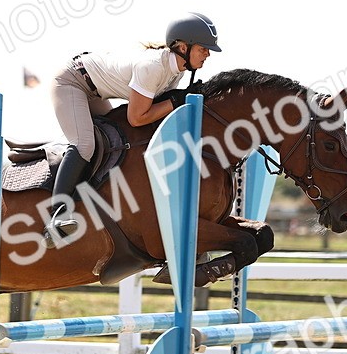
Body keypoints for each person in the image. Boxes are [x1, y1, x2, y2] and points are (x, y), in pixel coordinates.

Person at [42, 12, 221, 247]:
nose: (208, 54)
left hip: (95, 90)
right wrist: (176, 101)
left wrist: (178, 101)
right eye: (203, 48)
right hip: (72, 81)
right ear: (183, 47)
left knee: (112, 140)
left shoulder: (174, 72)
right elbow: (137, 118)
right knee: (85, 144)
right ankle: (56, 218)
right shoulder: (153, 67)